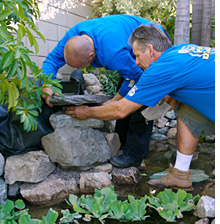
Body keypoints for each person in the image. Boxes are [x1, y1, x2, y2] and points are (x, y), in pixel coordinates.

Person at [65, 24, 215, 191]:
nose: (135, 62)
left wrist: (86, 112)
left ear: (150, 50)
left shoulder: (160, 68)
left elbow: (120, 110)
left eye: (137, 55)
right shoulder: (180, 50)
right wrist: (173, 93)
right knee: (187, 111)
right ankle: (179, 175)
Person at [42, 14, 169, 168]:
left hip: (153, 40)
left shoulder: (112, 52)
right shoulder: (73, 37)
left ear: (92, 55)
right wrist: (46, 85)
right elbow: (51, 61)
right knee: (125, 91)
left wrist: (112, 103)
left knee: (138, 101)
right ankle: (121, 142)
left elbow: (136, 76)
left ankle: (134, 155)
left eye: (81, 66)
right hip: (126, 47)